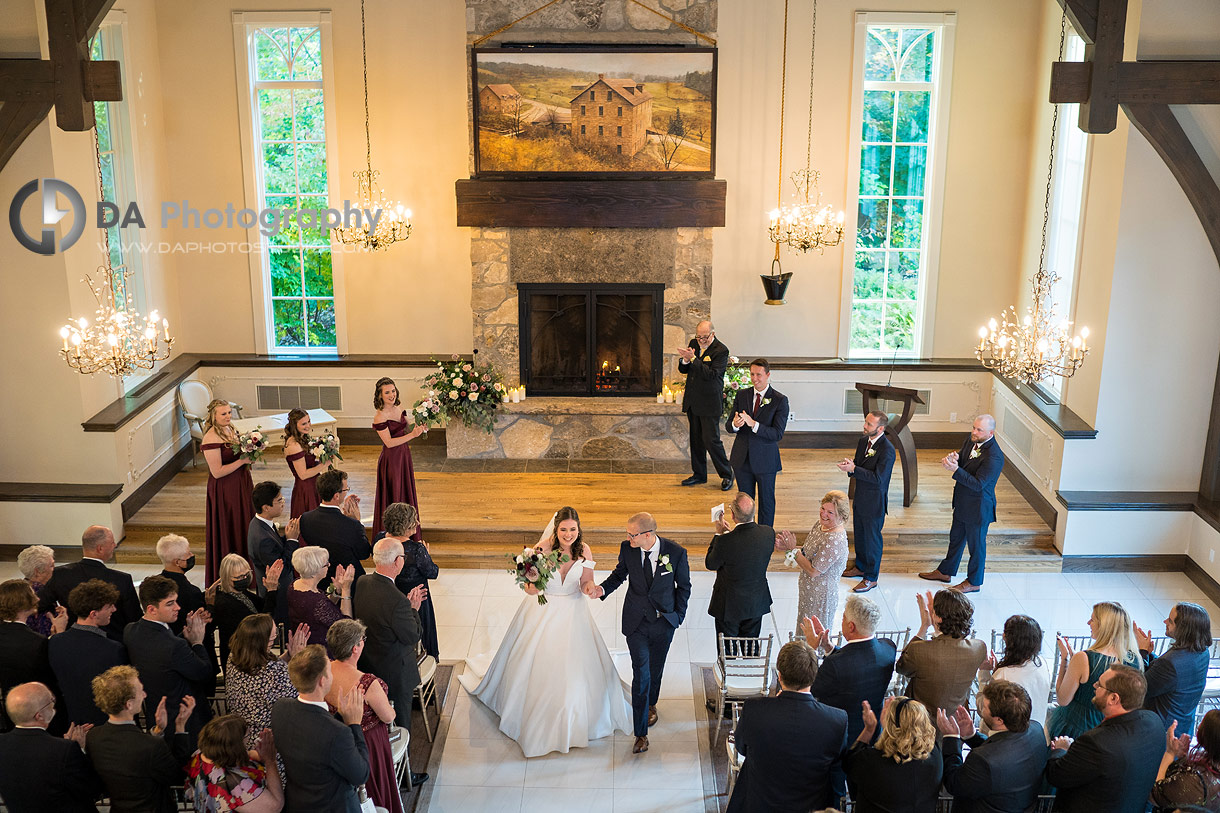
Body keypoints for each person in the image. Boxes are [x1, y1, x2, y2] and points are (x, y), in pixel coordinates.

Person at [463, 507, 633, 757]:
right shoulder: (541, 550)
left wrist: (589, 588)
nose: (568, 534)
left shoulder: (584, 550)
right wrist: (531, 587)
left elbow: (587, 580)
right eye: (563, 529)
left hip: (575, 612)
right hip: (544, 610)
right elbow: (530, 584)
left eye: (572, 529)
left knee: (577, 667)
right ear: (556, 529)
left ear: (578, 529)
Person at [586, 511, 691, 755]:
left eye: (632, 534)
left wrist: (677, 618)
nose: (628, 538)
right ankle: (641, 733)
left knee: (656, 669)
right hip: (636, 624)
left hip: (663, 622)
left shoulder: (675, 553)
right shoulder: (628, 548)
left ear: (648, 535)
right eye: (627, 534)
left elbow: (684, 587)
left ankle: (651, 703)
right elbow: (620, 573)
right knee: (641, 674)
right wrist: (603, 589)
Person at [726, 641, 848, 813]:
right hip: (811, 806)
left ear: (780, 676)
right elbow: (837, 768)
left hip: (759, 803)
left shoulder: (755, 709)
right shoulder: (837, 720)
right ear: (814, 676)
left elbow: (741, 748)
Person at [1045, 664, 1166, 813]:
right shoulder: (1154, 722)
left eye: (1100, 684)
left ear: (1114, 698)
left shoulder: (1095, 742)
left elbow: (1057, 775)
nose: (1094, 685)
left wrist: (1061, 749)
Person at [326, 619, 418, 811]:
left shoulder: (325, 671)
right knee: (374, 790)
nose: (364, 642)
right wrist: (392, 710)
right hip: (368, 744)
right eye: (362, 640)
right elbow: (388, 717)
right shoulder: (367, 683)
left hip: (336, 740)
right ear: (355, 649)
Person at [270, 646, 369, 813]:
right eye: (329, 670)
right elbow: (361, 775)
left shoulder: (280, 709)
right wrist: (354, 724)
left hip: (297, 803)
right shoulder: (339, 733)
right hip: (334, 806)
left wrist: (340, 716)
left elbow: (314, 735)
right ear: (322, 680)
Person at [86, 665, 196, 813]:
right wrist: (180, 726)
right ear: (128, 704)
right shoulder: (151, 746)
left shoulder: (93, 737)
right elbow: (177, 775)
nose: (144, 695)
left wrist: (157, 730)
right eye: (140, 691)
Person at [919, 414, 1004, 592]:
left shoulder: (994, 456)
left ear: (990, 433)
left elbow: (978, 484)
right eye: (974, 427)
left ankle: (974, 582)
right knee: (956, 539)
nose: (974, 432)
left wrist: (956, 470)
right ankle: (946, 571)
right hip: (963, 502)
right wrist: (955, 460)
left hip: (979, 508)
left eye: (979, 430)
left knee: (976, 547)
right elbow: (965, 461)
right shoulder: (970, 441)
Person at [937, 680, 1049, 813]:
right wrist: (971, 736)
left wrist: (951, 738)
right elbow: (1002, 750)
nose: (980, 709)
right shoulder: (1036, 730)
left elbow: (954, 783)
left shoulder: (982, 761)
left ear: (999, 720)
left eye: (984, 707)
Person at [123, 574, 213, 736]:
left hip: (156, 717)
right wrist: (197, 642)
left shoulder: (131, 631)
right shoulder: (174, 646)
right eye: (170, 604)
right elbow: (204, 672)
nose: (177, 607)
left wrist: (183, 636)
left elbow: (161, 653)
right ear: (151, 609)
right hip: (183, 722)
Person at [352, 538, 424, 730]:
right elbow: (412, 636)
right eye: (403, 556)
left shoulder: (362, 582)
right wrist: (413, 610)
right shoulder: (398, 600)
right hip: (395, 672)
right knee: (401, 724)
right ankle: (402, 756)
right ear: (396, 562)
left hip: (368, 663)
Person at [806, 595, 898, 745]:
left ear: (851, 626)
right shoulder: (888, 648)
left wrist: (812, 650)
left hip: (841, 736)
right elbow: (856, 658)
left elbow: (811, 688)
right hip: (874, 731)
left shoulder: (834, 666)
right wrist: (829, 647)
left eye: (843, 618)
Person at [1047, 600, 1143, 740]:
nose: (1088, 623)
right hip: (1107, 731)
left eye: (1092, 620)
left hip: (1074, 728)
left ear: (1103, 626)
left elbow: (1062, 699)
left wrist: (1066, 659)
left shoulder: (1084, 658)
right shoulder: (1135, 660)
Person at [0, 681, 101, 813]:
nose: (54, 705)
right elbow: (92, 790)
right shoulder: (64, 750)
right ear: (39, 716)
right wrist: (78, 749)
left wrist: (65, 745)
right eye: (50, 702)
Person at [895, 590, 988, 722]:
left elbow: (901, 667)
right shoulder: (979, 648)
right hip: (955, 724)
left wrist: (924, 626)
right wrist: (938, 621)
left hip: (920, 724)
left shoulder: (919, 650)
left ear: (938, 618)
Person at [38, 526, 140, 642]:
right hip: (113, 643)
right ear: (100, 549)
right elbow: (134, 620)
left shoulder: (60, 574)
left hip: (73, 641)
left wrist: (57, 615)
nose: (115, 545)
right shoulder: (122, 579)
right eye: (112, 543)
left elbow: (38, 604)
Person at [224, 614, 307, 755]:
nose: (273, 642)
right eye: (272, 640)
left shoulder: (235, 656)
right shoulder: (275, 673)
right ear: (261, 643)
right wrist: (297, 659)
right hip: (268, 745)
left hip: (239, 738)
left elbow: (265, 667)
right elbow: (297, 700)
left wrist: (288, 656)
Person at [48, 579, 127, 726]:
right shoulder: (113, 649)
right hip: (102, 723)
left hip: (70, 720)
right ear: (93, 614)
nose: (114, 609)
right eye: (109, 606)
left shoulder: (55, 641)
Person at [844, 696, 943, 812]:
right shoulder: (935, 755)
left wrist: (869, 729)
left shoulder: (872, 761)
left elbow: (848, 764)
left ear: (892, 727)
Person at [724, 358, 789, 527]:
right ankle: (746, 534)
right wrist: (735, 425)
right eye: (752, 374)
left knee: (767, 501)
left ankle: (764, 536)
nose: (754, 378)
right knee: (744, 503)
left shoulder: (780, 400)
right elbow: (729, 425)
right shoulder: (742, 395)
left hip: (765, 459)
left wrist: (754, 424)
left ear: (768, 375)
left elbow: (777, 434)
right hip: (742, 458)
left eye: (759, 375)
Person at [705, 492, 774, 652]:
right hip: (756, 602)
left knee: (727, 651)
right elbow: (746, 550)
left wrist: (718, 534)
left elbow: (711, 563)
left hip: (729, 604)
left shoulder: (724, 541)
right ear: (754, 512)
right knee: (751, 648)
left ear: (733, 515)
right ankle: (749, 674)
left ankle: (729, 676)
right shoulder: (768, 533)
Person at [839, 411, 895, 593]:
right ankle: (860, 566)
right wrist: (850, 466)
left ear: (880, 428)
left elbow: (879, 479)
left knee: (872, 540)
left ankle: (871, 577)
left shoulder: (887, 450)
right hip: (860, 496)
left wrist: (855, 468)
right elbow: (859, 464)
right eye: (865, 422)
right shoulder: (863, 441)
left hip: (874, 501)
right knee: (860, 535)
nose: (865, 426)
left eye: (869, 424)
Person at [777, 490, 850, 630]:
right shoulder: (820, 525)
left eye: (830, 512)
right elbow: (806, 552)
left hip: (821, 596)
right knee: (804, 628)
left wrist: (793, 550)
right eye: (823, 508)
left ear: (841, 516)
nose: (823, 514)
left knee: (815, 635)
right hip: (808, 590)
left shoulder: (835, 540)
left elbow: (814, 571)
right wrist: (787, 547)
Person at [1134, 602, 1213, 732]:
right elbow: (1166, 676)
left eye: (1170, 621)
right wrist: (1149, 653)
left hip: (1162, 730)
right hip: (1183, 725)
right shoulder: (1202, 651)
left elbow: (1140, 689)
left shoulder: (1170, 663)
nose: (1165, 621)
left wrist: (1142, 652)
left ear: (1183, 629)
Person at [201, 398, 255, 585]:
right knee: (232, 524)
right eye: (223, 414)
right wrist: (241, 461)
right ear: (213, 416)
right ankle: (231, 574)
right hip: (226, 489)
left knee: (245, 522)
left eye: (229, 413)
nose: (228, 416)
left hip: (241, 483)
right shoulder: (210, 437)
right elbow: (217, 472)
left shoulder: (231, 429)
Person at [677, 319, 733, 490]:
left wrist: (693, 359)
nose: (701, 340)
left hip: (709, 402)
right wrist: (685, 361)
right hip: (693, 401)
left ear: (713, 334)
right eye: (699, 337)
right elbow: (684, 370)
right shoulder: (693, 343)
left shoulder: (721, 351)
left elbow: (712, 375)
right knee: (696, 440)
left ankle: (727, 475)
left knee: (711, 440)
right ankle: (699, 475)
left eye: (705, 337)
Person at [187, 714, 283, 813]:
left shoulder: (202, 754)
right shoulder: (233, 783)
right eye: (247, 736)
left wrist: (256, 754)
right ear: (235, 745)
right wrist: (270, 761)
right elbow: (275, 806)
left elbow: (238, 754)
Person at [379, 502, 440, 658]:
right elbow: (432, 572)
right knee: (419, 629)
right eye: (414, 520)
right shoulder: (417, 550)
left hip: (390, 595)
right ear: (405, 525)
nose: (417, 524)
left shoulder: (380, 540)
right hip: (417, 598)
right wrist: (427, 554)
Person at [976, 614, 1051, 736]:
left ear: (1008, 640)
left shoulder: (1003, 674)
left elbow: (983, 708)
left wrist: (984, 673)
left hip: (1004, 738)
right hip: (1034, 733)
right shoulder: (1041, 663)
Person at [0, 580, 60, 731]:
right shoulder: (38, 642)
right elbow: (50, 680)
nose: (38, 599)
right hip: (32, 712)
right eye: (33, 595)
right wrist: (58, 638)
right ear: (23, 602)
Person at [371, 377, 426, 538]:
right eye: (387, 392)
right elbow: (388, 443)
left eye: (393, 391)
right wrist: (413, 436)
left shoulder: (398, 407)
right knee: (394, 491)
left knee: (405, 489)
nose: (391, 395)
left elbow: (407, 429)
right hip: (391, 460)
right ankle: (394, 534)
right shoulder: (379, 417)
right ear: (380, 395)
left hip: (403, 455)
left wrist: (420, 426)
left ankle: (409, 530)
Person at [299, 469, 371, 589]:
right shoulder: (352, 525)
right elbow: (363, 554)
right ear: (336, 495)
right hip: (349, 582)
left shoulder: (305, 519)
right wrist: (357, 522)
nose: (346, 492)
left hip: (320, 579)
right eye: (345, 490)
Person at [211, 553, 282, 668]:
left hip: (251, 653)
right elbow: (262, 625)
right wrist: (271, 590)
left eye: (247, 574)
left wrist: (270, 588)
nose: (244, 579)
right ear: (226, 577)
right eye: (239, 577)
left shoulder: (241, 592)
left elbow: (263, 607)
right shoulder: (225, 603)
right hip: (241, 659)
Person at [248, 481, 298, 624]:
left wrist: (286, 537)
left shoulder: (260, 523)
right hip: (278, 593)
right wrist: (291, 541)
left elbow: (276, 548)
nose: (283, 503)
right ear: (266, 507)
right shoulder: (262, 538)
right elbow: (281, 569)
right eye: (279, 500)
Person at [1150, 709, 1220, 811]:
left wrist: (1170, 753)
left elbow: (1154, 795)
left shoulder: (1196, 783)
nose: (1199, 725)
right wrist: (1183, 757)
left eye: (1202, 723)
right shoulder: (1211, 760)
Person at [287, 546, 354, 648]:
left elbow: (323, 607)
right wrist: (346, 589)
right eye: (326, 564)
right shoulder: (316, 602)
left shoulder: (295, 584)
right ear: (315, 571)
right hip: (319, 653)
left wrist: (338, 591)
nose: (329, 565)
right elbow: (347, 627)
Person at [284, 408, 327, 518]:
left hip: (313, 484)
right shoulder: (294, 446)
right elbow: (303, 475)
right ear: (294, 425)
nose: (308, 425)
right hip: (306, 489)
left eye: (308, 421)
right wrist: (324, 464)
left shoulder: (301, 438)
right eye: (304, 423)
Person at [17, 544, 56, 637]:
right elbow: (48, 632)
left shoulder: (17, 590)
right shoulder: (42, 595)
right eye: (52, 565)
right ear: (38, 571)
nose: (55, 569)